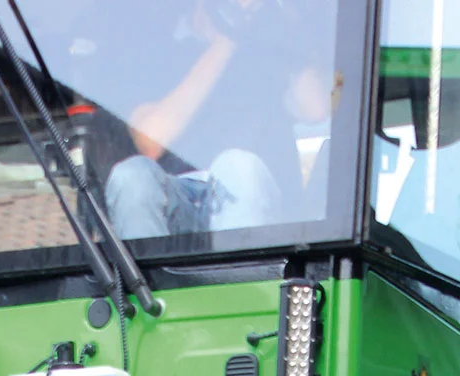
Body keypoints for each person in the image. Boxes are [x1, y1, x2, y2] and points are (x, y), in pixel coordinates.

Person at [102, 0, 335, 240]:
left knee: (237, 167)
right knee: (131, 176)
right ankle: (141, 267)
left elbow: (316, 108)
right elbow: (151, 140)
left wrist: (286, 23)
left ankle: (246, 266)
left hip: (256, 206)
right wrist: (228, 37)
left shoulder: (269, 45)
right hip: (176, 201)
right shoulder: (156, 47)